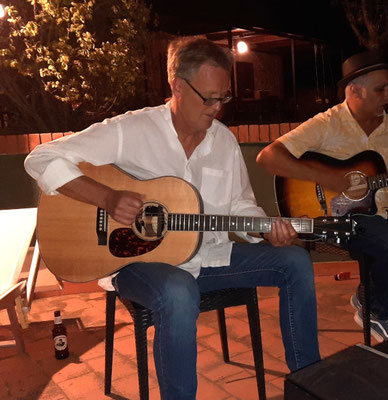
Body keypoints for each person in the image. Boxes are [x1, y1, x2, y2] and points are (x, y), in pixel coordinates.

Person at [25, 37, 320, 399]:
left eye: (223, 98)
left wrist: (266, 230)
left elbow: (240, 207)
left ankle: (310, 385)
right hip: (138, 263)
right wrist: (108, 198)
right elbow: (40, 159)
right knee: (179, 291)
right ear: (177, 85)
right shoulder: (131, 130)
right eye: (208, 97)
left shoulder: (223, 142)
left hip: (209, 257)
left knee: (295, 261)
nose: (216, 108)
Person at [256, 49, 388, 343]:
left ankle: (374, 306)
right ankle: (376, 306)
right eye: (381, 89)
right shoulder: (327, 123)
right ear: (355, 91)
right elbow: (268, 157)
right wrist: (325, 177)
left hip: (385, 210)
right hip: (338, 217)